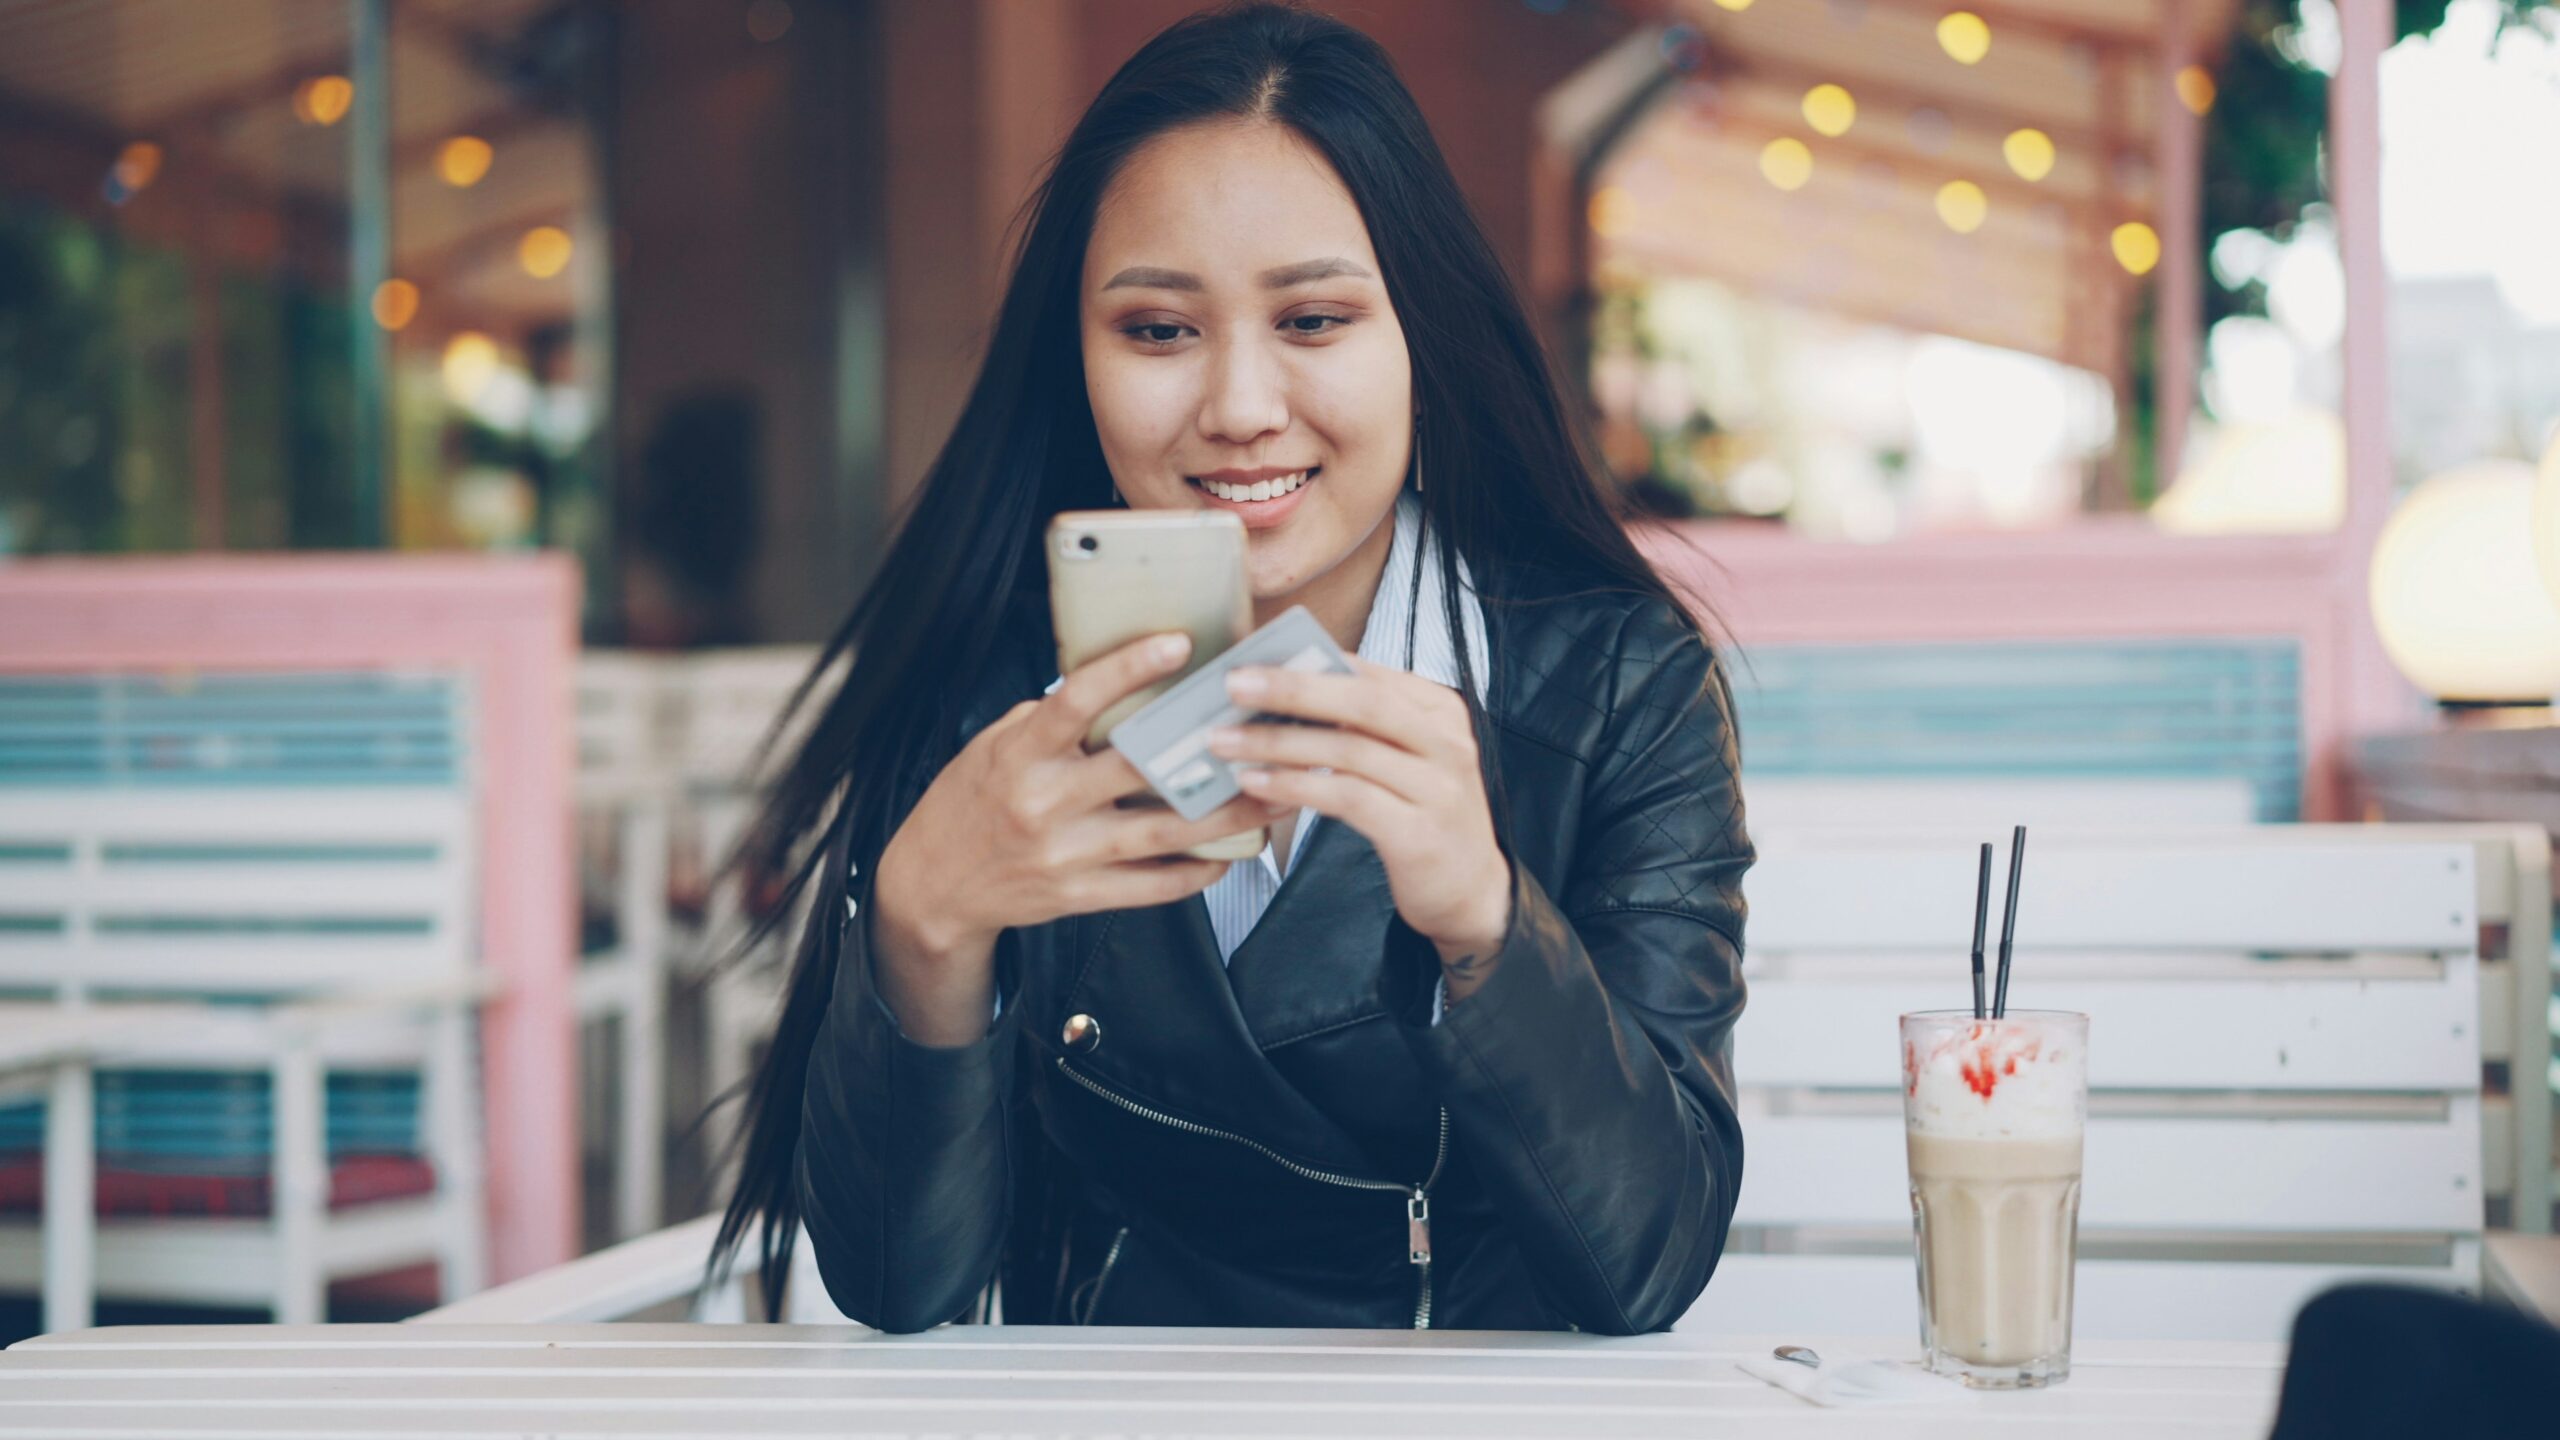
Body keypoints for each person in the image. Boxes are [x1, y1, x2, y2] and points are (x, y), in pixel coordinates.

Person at [710, 0, 1751, 1334]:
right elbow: (898, 1288)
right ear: (1073, 354)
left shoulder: (1613, 680)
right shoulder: (994, 676)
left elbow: (1649, 1264)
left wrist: (1486, 925)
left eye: (1314, 321)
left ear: (1422, 334)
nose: (1241, 405)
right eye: (1157, 332)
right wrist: (920, 925)